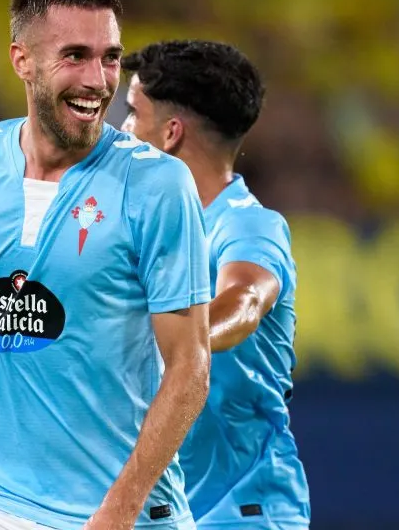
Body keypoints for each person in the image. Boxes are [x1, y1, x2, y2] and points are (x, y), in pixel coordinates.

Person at [0, 0, 212, 530]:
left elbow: (190, 367)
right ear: (22, 60)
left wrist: (118, 511)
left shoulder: (158, 185)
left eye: (110, 58)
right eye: (75, 56)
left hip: (130, 513)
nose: (98, 80)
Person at [121, 40, 311, 529]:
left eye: (132, 114)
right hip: (162, 510)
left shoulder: (246, 225)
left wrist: (178, 338)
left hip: (242, 511)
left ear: (170, 133)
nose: (121, 130)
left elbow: (244, 301)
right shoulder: (140, 231)